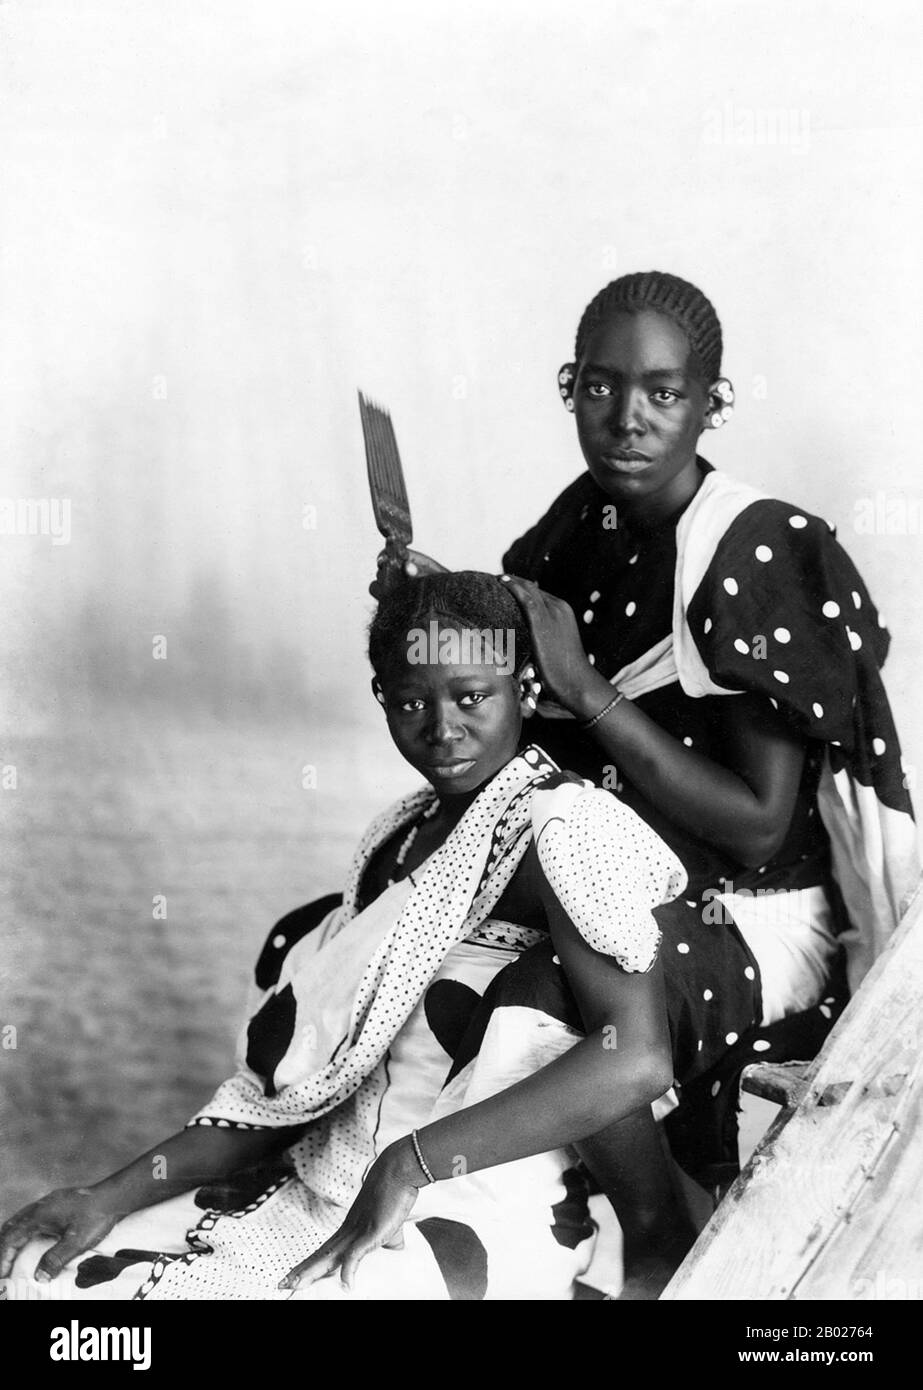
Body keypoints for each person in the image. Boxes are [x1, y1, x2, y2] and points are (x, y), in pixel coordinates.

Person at [375, 270, 920, 1292]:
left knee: (546, 990)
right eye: (601, 388)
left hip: (749, 916)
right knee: (376, 932)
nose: (627, 418)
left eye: (663, 393)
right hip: (612, 872)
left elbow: (759, 830)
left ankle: (650, 1231)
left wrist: (586, 691)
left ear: (710, 403)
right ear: (569, 385)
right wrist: (439, 608)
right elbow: (516, 695)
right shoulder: (575, 531)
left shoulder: (754, 550)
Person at [0, 571, 690, 1301]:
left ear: (522, 689)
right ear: (381, 698)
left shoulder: (566, 827)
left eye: (471, 697)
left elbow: (637, 1061)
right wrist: (106, 1195)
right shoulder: (397, 836)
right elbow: (305, 1087)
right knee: (45, 1277)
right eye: (412, 702)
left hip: (472, 1199)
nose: (442, 728)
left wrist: (409, 1163)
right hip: (323, 1186)